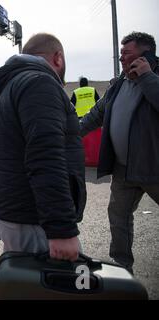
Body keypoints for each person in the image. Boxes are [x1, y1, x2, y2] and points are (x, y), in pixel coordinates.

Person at [0, 33, 87, 262]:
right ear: (58, 58)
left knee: (23, 283)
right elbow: (46, 156)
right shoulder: (39, 83)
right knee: (50, 287)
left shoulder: (15, 85)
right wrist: (61, 229)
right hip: (33, 217)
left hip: (20, 212)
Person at [80, 31, 159, 273]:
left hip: (153, 167)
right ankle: (122, 267)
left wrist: (146, 76)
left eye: (127, 53)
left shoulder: (153, 79)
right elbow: (95, 116)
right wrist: (67, 132)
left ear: (146, 55)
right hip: (124, 170)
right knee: (119, 218)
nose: (121, 59)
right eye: (121, 53)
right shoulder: (118, 85)